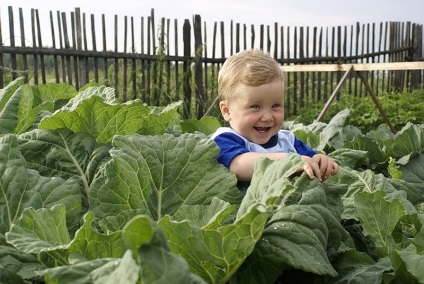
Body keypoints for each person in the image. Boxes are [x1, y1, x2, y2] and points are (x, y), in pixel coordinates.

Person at [211, 49, 339, 185]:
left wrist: (320, 161)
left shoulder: (288, 140)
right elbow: (239, 166)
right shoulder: (224, 140)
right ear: (227, 111)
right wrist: (289, 162)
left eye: (275, 105)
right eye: (255, 107)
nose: (267, 117)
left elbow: (310, 158)